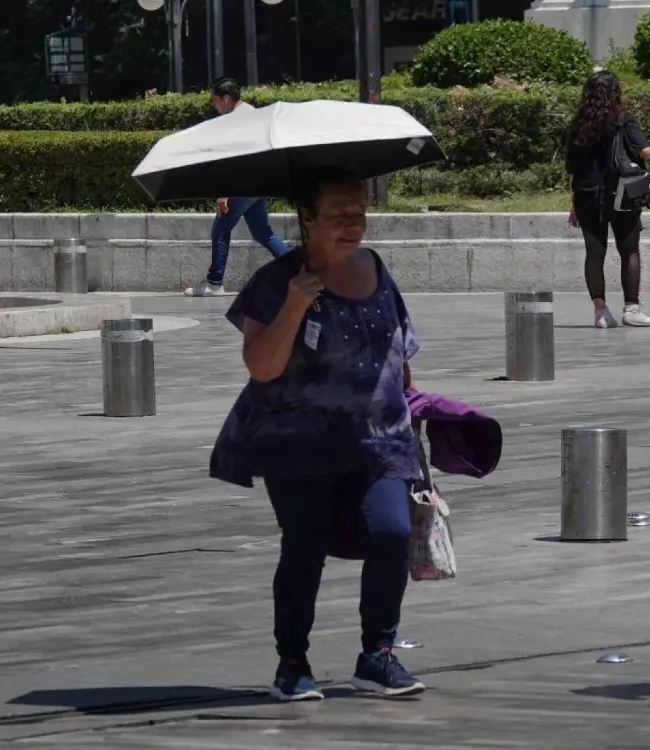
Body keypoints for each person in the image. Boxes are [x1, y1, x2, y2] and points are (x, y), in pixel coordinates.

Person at [219, 166, 424, 701]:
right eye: (338, 215)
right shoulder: (275, 283)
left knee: (393, 534)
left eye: (359, 212)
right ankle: (292, 663)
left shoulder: (376, 268)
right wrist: (294, 305)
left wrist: (415, 406)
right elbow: (261, 367)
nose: (353, 223)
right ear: (306, 219)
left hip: (381, 437)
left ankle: (377, 655)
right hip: (299, 443)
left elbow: (401, 353)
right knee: (304, 548)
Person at [564, 70, 650, 329]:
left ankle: (601, 312)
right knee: (629, 251)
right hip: (622, 192)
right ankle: (632, 308)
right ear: (615, 91)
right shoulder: (624, 118)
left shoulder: (578, 124)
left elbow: (573, 167)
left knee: (594, 253)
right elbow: (645, 151)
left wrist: (574, 202)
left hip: (586, 194)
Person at [185, 77, 291, 297]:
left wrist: (226, 191)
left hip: (243, 184)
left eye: (214, 102)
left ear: (225, 99)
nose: (214, 107)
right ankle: (298, 268)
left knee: (221, 229)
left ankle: (215, 282)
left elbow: (237, 160)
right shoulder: (252, 113)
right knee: (263, 233)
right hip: (259, 184)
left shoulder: (235, 121)